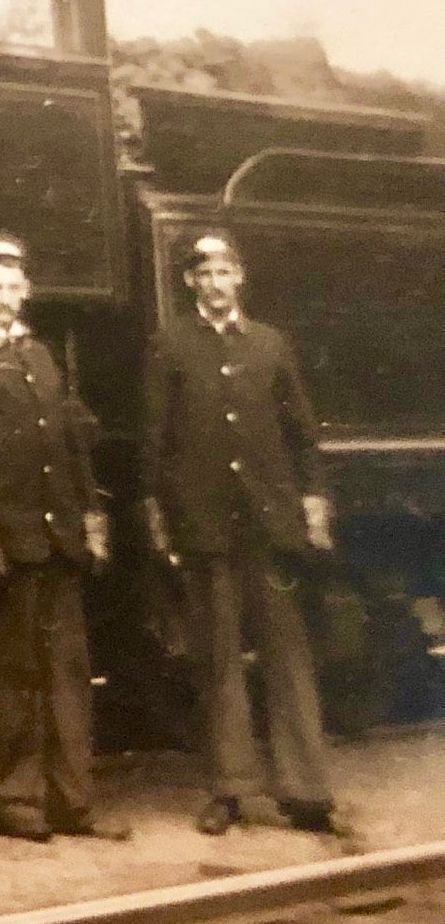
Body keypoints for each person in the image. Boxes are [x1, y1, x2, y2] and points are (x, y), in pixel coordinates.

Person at [0, 231, 121, 842]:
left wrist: (91, 522)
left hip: (57, 542)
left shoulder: (41, 356)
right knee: (9, 680)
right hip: (4, 549)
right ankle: (13, 802)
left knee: (67, 678)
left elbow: (71, 448)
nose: (6, 299)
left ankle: (72, 803)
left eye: (14, 287)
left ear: (27, 290)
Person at [141, 230, 342, 837]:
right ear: (190, 283)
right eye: (204, 274)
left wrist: (312, 505)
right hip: (205, 528)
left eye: (224, 272)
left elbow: (301, 434)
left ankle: (306, 790)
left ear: (240, 277)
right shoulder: (171, 345)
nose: (216, 284)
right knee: (219, 660)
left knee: (288, 656)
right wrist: (160, 516)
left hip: (268, 527)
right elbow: (155, 439)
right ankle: (230, 790)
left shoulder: (270, 345)